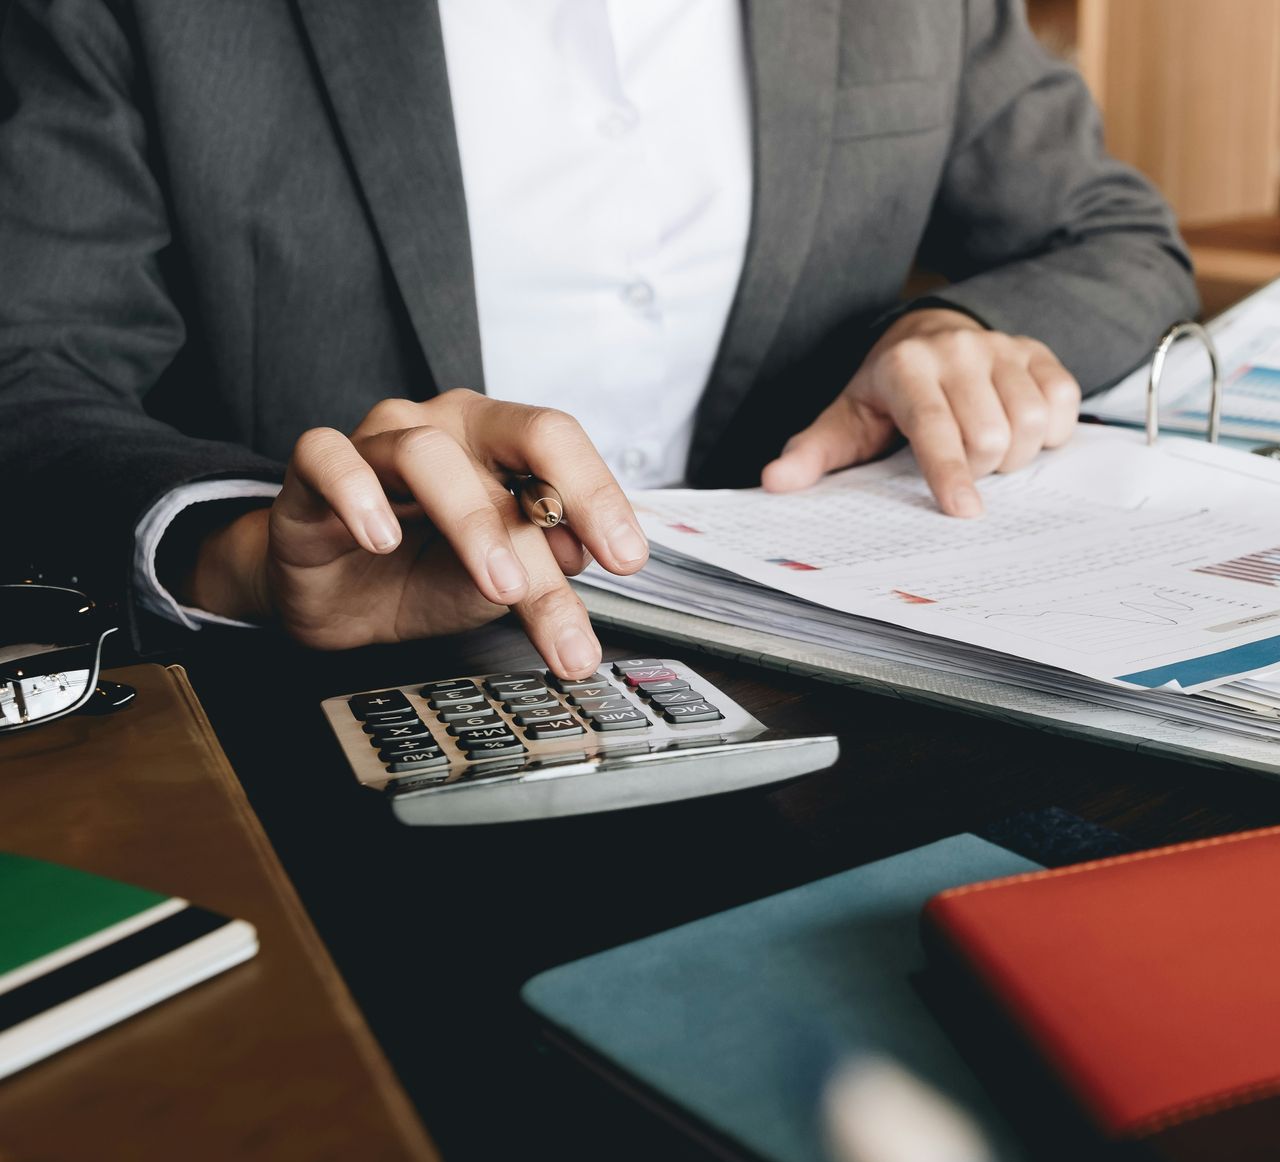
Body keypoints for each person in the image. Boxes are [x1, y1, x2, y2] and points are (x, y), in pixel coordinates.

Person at [0, 0, 1196, 678]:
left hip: (843, 694)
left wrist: (961, 329)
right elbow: (28, 365)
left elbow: (1117, 232)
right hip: (327, 729)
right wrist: (241, 554)